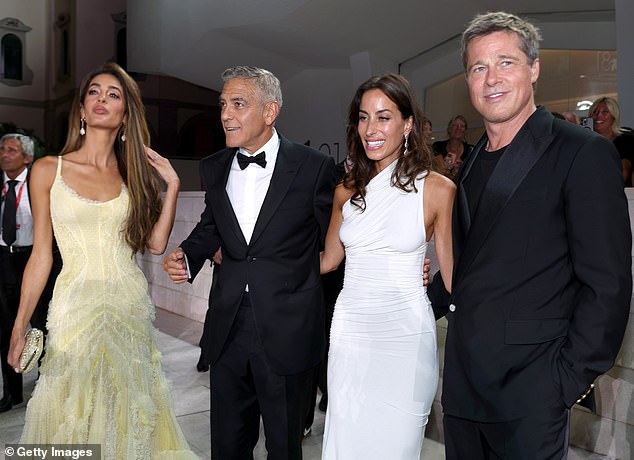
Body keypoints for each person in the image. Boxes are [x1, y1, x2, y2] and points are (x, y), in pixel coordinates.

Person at [427, 12, 632, 459]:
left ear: (534, 68)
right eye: (479, 67)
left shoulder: (583, 153)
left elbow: (607, 285)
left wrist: (565, 381)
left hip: (531, 394)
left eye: (506, 62)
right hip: (463, 390)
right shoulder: (471, 162)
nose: (491, 78)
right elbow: (466, 267)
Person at [7, 62, 197, 459]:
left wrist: (173, 185)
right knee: (72, 405)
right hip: (74, 306)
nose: (101, 100)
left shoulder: (134, 176)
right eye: (94, 91)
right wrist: (21, 323)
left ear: (125, 114)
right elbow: (41, 254)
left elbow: (156, 244)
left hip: (127, 304)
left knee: (127, 404)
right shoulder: (47, 169)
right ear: (80, 108)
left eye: (114, 95)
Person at [163, 65, 337, 459]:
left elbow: (336, 239)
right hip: (227, 325)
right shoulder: (215, 166)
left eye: (238, 104)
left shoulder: (313, 167)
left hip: (289, 327)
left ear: (270, 111)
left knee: (284, 444)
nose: (226, 114)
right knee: (227, 444)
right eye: (223, 104)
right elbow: (211, 227)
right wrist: (188, 256)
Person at [320, 73, 455, 459]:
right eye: (363, 117)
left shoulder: (438, 190)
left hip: (406, 338)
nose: (371, 129)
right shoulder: (345, 191)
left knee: (397, 447)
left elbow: (454, 276)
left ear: (408, 123)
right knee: (349, 444)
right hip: (351, 336)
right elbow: (328, 261)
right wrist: (261, 260)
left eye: (383, 117)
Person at [0, 134, 61, 413]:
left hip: (35, 259)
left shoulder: (40, 183)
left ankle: (44, 383)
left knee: (41, 324)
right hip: (3, 261)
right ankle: (12, 393)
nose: (4, 153)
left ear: (27, 157)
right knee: (6, 327)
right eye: (2, 148)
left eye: (11, 149)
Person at [589, 96, 634, 186]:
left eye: (605, 112)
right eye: (595, 112)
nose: (598, 116)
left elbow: (623, 169)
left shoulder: (626, 138)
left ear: (614, 116)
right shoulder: (587, 142)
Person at [432, 115, 473, 180]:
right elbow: (433, 172)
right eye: (455, 125)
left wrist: (462, 168)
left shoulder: (471, 150)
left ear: (465, 131)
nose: (458, 128)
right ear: (449, 129)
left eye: (462, 126)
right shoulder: (438, 147)